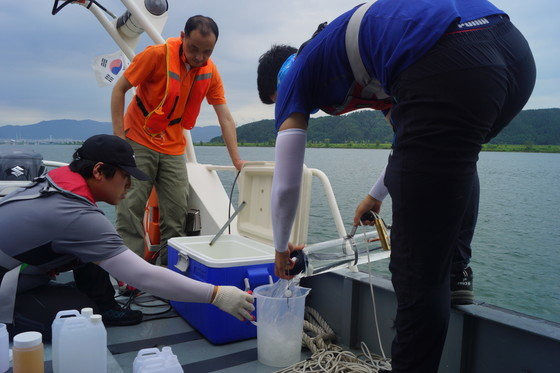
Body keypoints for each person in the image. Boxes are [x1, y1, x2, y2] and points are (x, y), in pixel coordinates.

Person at [257, 1, 535, 372]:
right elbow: (412, 138)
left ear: (278, 83)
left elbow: (287, 182)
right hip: (513, 55)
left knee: (416, 274)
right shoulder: (373, 58)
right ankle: (456, 271)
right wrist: (375, 196)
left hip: (453, 54)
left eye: (277, 104)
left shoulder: (296, 71)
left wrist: (279, 250)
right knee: (454, 154)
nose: (284, 109)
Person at [0, 135, 254, 341]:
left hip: (19, 270)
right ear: (99, 171)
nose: (130, 186)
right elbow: (143, 275)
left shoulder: (57, 183)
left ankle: (105, 305)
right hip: (6, 282)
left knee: (96, 258)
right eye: (126, 177)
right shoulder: (75, 214)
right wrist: (217, 294)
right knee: (77, 317)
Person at [111, 15, 244, 265]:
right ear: (182, 37)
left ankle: (168, 273)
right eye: (194, 48)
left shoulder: (210, 71)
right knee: (130, 208)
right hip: (139, 137)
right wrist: (119, 139)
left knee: (175, 214)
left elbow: (225, 117)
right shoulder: (156, 55)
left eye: (207, 51)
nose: (199, 57)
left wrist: (236, 159)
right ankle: (130, 278)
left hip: (173, 145)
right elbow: (119, 90)